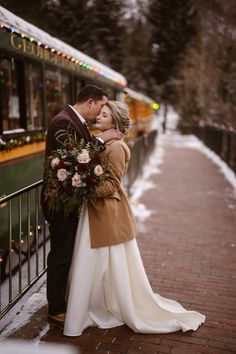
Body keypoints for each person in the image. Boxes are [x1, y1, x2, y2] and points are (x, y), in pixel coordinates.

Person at [63, 101, 205, 336]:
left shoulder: (117, 147)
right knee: (96, 263)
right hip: (96, 211)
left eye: (104, 114)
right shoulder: (105, 142)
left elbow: (112, 184)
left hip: (106, 213)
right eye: (100, 113)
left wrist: (83, 189)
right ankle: (92, 303)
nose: (98, 116)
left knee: (101, 262)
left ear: (114, 122)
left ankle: (99, 305)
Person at [41, 85, 122, 325]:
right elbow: (72, 159)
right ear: (89, 102)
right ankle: (56, 309)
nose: (99, 113)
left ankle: (65, 300)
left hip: (70, 199)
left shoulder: (73, 121)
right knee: (61, 254)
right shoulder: (63, 123)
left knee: (67, 252)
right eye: (99, 107)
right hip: (60, 202)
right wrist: (101, 139)